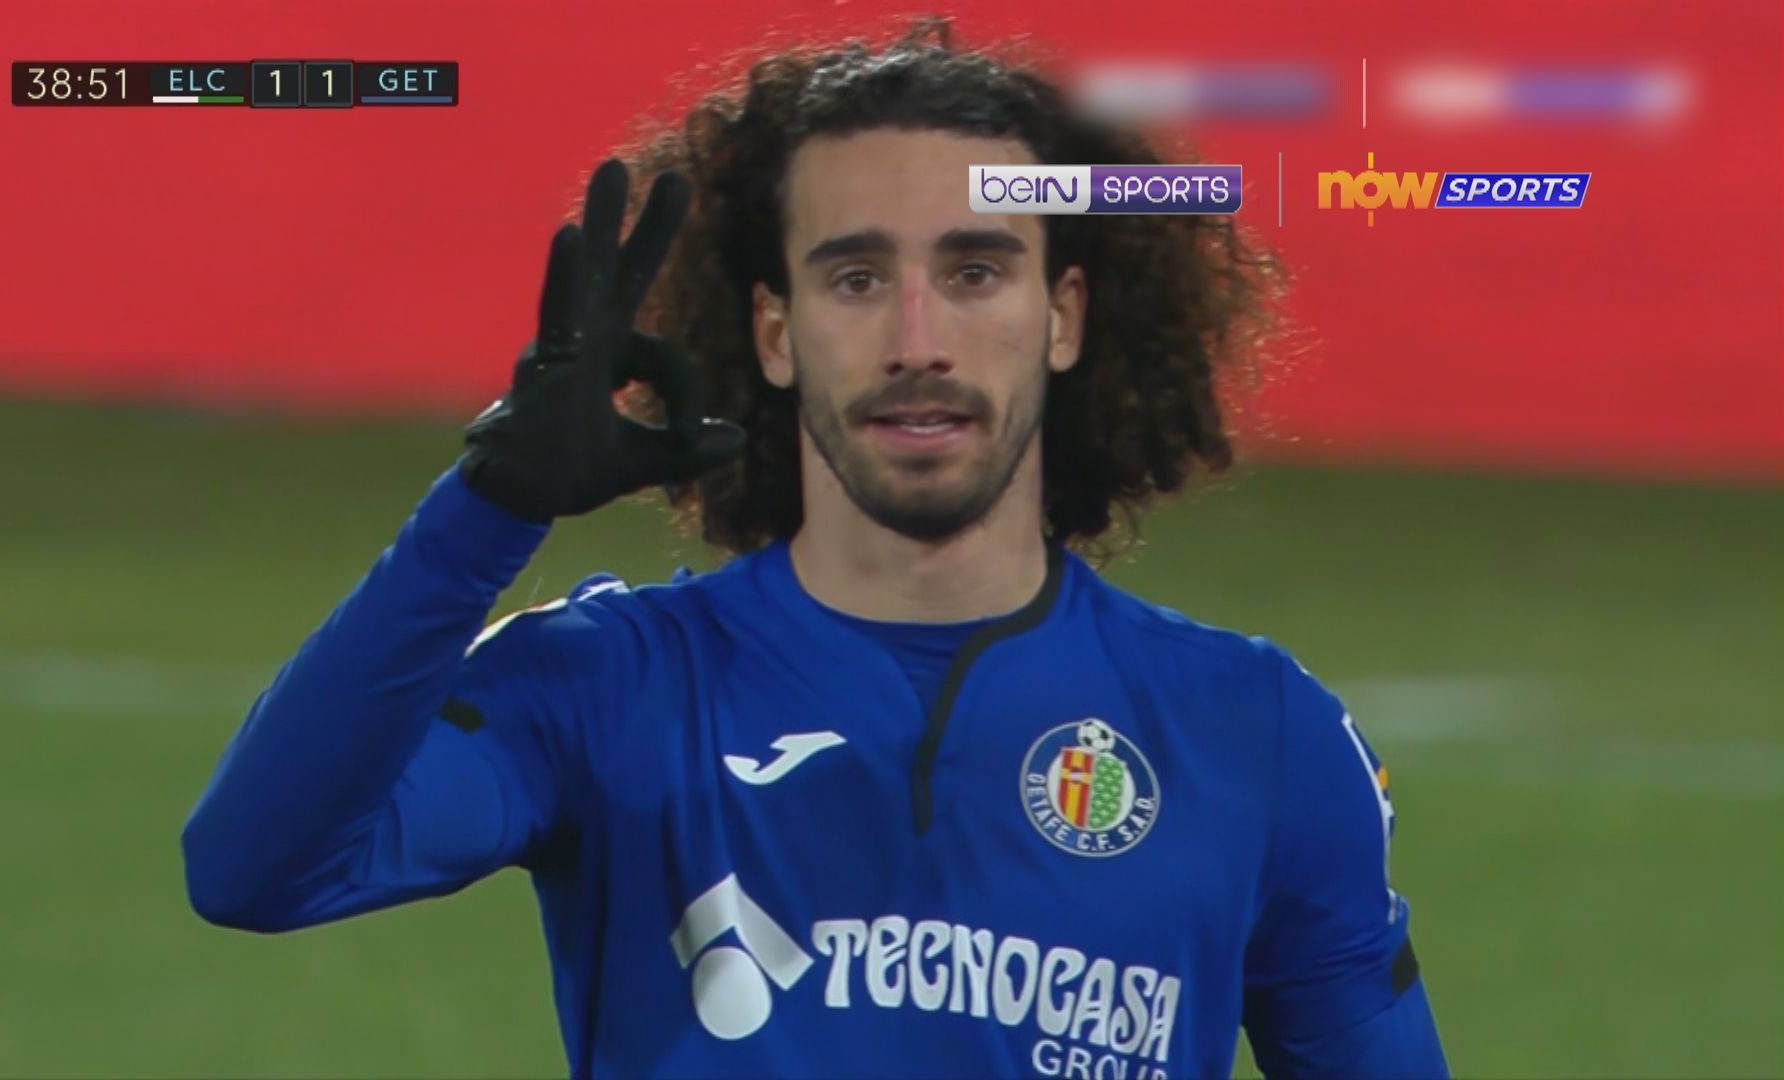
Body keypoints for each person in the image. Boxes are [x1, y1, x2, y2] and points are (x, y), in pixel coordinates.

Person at [182, 20, 1448, 1079]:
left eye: (975, 272)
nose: (917, 340)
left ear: (1062, 318)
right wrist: (485, 510)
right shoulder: (608, 682)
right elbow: (255, 869)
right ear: (775, 334)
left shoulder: (1258, 732)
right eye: (855, 279)